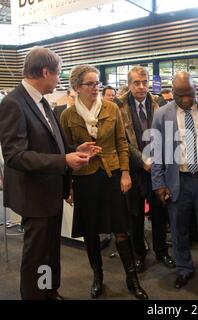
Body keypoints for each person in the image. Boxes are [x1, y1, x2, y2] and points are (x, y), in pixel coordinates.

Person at [0, 47, 101, 300]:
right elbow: (15, 155)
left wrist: (73, 149)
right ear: (45, 72)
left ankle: (49, 291)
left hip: (50, 192)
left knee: (49, 251)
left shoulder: (41, 100)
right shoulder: (13, 103)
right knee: (37, 256)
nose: (59, 80)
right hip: (34, 196)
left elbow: (50, 144)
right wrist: (63, 160)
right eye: (58, 74)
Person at [60, 64, 148, 300]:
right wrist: (68, 185)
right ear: (77, 87)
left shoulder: (111, 108)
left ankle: (132, 280)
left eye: (97, 83)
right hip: (84, 179)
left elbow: (122, 143)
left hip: (112, 176)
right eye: (90, 84)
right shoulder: (67, 115)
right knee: (90, 232)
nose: (95, 88)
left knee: (121, 230)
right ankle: (97, 276)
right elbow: (65, 152)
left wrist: (126, 173)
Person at [151, 71, 198, 289]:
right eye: (180, 95)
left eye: (190, 94)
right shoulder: (162, 114)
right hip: (177, 181)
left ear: (196, 90)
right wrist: (159, 183)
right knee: (178, 228)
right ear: (172, 93)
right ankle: (184, 268)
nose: (185, 100)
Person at [117, 66, 175, 273]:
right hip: (133, 169)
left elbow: (168, 134)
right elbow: (121, 139)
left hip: (158, 169)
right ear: (129, 84)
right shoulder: (118, 105)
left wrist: (156, 161)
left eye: (144, 82)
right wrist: (142, 160)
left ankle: (161, 252)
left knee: (160, 212)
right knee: (135, 215)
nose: (141, 87)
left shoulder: (160, 103)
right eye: (136, 83)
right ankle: (139, 254)